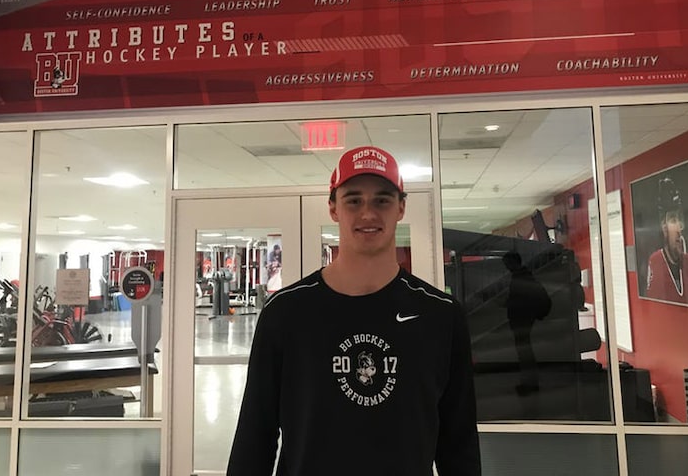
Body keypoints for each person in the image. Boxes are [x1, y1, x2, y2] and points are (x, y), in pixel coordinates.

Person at [227, 146, 481, 475]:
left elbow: (458, 443)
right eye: (354, 199)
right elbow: (255, 436)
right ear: (333, 208)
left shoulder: (440, 315)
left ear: (401, 207)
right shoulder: (286, 313)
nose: (368, 213)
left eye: (382, 200)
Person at [646, 176, 688, 307]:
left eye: (681, 220)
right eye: (673, 220)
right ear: (663, 227)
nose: (679, 228)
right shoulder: (655, 261)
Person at [502, 251, 551, 396]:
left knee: (525, 354)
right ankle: (530, 383)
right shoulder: (523, 277)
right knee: (525, 353)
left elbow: (521, 300)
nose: (506, 267)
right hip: (523, 320)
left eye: (507, 264)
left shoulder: (521, 279)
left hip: (522, 321)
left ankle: (530, 384)